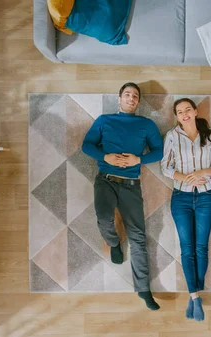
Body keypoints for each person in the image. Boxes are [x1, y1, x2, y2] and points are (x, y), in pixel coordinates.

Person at [82, 82, 163, 310]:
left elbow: (160, 150)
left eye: (135, 96)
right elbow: (86, 146)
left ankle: (144, 290)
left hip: (131, 184)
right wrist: (105, 157)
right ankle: (113, 242)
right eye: (127, 95)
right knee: (104, 217)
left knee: (138, 236)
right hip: (105, 179)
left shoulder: (146, 124)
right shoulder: (104, 120)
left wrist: (139, 160)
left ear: (138, 102)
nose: (131, 98)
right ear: (119, 99)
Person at [160, 98, 211, 321]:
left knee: (201, 247)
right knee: (187, 248)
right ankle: (195, 296)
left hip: (206, 197)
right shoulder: (172, 136)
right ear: (176, 117)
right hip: (181, 198)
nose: (184, 114)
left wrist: (203, 173)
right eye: (180, 112)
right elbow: (165, 167)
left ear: (195, 112)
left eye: (188, 109)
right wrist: (187, 178)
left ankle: (194, 294)